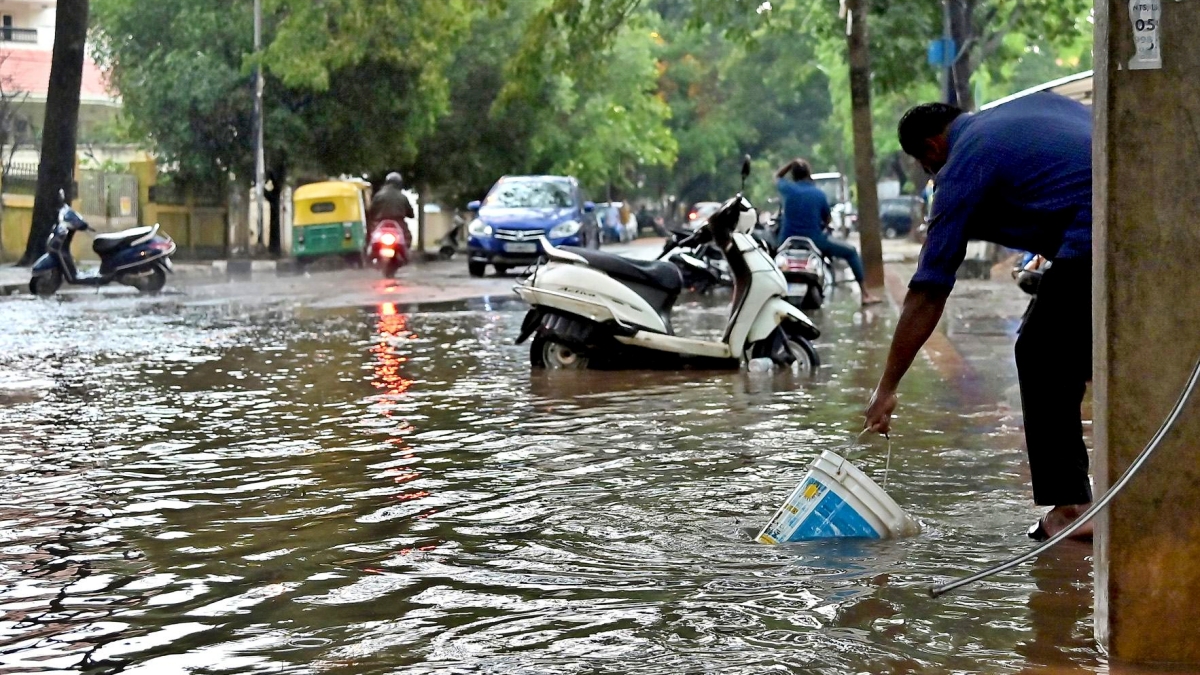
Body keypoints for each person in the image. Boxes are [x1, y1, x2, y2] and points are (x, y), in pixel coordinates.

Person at [863, 93, 1093, 541]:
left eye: (928, 169)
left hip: (1097, 229)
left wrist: (886, 387)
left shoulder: (963, 165)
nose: (934, 178)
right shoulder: (1024, 113)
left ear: (930, 150)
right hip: (1145, 209)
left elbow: (928, 290)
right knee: (1075, 352)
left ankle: (1072, 508)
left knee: (1040, 354)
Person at [776, 159, 882, 306]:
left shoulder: (787, 190)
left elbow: (778, 177)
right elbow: (827, 219)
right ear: (809, 175)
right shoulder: (818, 194)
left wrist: (791, 163)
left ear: (793, 175)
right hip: (815, 241)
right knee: (851, 252)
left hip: (786, 242)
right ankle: (865, 294)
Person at [369, 172, 416, 246]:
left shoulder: (378, 195)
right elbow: (411, 214)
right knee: (407, 240)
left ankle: (369, 255)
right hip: (398, 224)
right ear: (399, 183)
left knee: (371, 241)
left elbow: (371, 211)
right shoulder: (402, 197)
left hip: (380, 224)